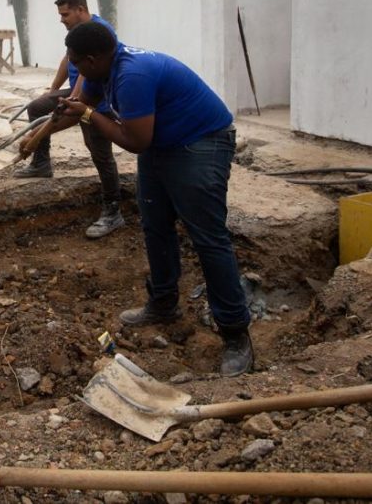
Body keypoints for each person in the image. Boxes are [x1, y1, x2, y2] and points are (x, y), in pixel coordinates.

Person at [31, 20, 254, 376]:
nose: (73, 68)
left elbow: (134, 141)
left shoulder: (132, 75)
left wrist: (89, 115)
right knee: (155, 224)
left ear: (92, 59)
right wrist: (39, 134)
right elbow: (81, 105)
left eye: (75, 62)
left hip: (201, 141)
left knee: (208, 238)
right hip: (162, 143)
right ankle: (163, 303)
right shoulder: (101, 68)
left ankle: (235, 332)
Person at [15, 0, 124, 239]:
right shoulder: (76, 32)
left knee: (98, 151)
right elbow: (68, 60)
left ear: (80, 10)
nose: (61, 19)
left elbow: (88, 74)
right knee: (38, 106)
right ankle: (41, 164)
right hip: (76, 92)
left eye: (65, 14)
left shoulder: (98, 32)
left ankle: (113, 210)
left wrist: (72, 101)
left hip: (96, 98)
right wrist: (53, 91)